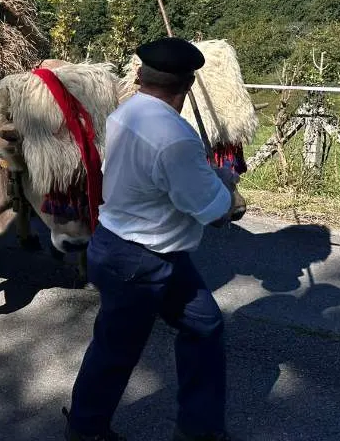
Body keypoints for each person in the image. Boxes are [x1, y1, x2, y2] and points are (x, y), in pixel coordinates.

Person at [64, 37, 245, 441]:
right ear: (188, 84)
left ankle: (199, 429)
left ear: (141, 77)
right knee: (116, 350)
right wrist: (224, 183)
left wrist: (203, 174)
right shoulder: (177, 138)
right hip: (142, 260)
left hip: (126, 246)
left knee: (203, 325)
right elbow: (214, 214)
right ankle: (86, 430)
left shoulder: (126, 112)